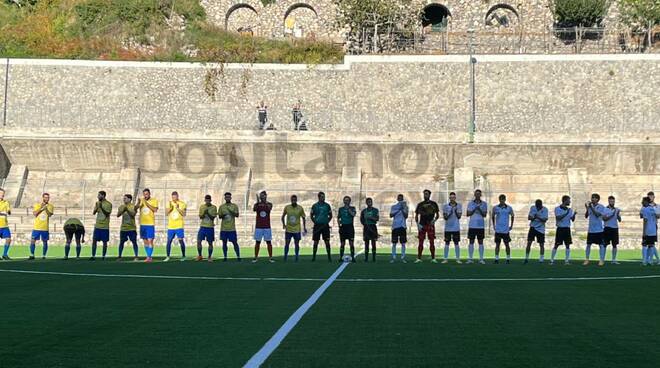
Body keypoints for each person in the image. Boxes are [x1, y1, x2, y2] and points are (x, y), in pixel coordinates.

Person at [415, 189, 440, 263]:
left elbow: (437, 215)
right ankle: (419, 258)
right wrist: (418, 225)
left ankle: (433, 258)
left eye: (426, 194)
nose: (425, 195)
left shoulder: (434, 204)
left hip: (430, 225)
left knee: (432, 241)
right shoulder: (420, 204)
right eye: (424, 194)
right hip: (422, 225)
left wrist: (434, 221)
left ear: (429, 195)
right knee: (420, 241)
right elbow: (416, 215)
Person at [551, 195, 576, 265]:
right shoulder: (557, 209)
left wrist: (574, 215)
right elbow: (558, 218)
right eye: (569, 200)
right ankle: (552, 260)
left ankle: (567, 261)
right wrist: (566, 213)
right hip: (560, 229)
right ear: (565, 201)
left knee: (567, 245)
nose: (570, 202)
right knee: (556, 244)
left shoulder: (570, 210)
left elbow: (572, 220)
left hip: (567, 229)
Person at [136, 188, 158, 263]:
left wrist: (146, 203)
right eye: (144, 194)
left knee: (150, 240)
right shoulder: (141, 200)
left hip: (150, 224)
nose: (145, 195)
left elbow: (155, 210)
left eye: (147, 194)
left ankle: (149, 257)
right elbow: (135, 209)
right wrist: (138, 203)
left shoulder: (154, 200)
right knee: (145, 241)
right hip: (142, 224)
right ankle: (148, 256)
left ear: (149, 194)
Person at [282, 195, 306, 262]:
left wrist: (304, 227)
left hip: (297, 229)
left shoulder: (300, 208)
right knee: (287, 243)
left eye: (295, 200)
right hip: (288, 229)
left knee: (297, 244)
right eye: (292, 200)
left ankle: (296, 256)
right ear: (291, 200)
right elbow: (283, 216)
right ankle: (285, 256)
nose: (293, 201)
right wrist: (284, 224)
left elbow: (304, 218)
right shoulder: (287, 207)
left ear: (296, 200)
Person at [583, 193, 605, 266]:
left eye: (594, 198)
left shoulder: (601, 207)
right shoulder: (590, 207)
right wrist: (587, 208)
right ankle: (587, 259)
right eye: (592, 198)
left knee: (601, 245)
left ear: (598, 199)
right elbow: (586, 216)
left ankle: (601, 260)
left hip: (599, 230)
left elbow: (597, 215)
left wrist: (591, 207)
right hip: (591, 229)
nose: (592, 199)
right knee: (588, 245)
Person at [30, 193, 54, 260]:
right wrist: (41, 208)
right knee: (33, 240)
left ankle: (43, 255)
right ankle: (32, 254)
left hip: (45, 227)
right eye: (45, 197)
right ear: (42, 198)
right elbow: (35, 214)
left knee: (45, 241)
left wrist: (46, 209)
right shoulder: (37, 205)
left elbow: (49, 214)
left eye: (48, 197)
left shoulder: (50, 206)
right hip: (37, 227)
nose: (47, 199)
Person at [466, 189, 488, 264]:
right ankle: (470, 258)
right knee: (471, 241)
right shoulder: (470, 203)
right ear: (474, 195)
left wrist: (480, 209)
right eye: (476, 194)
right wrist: (475, 209)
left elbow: (484, 215)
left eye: (479, 194)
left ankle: (481, 259)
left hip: (480, 226)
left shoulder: (484, 204)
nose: (477, 195)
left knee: (480, 242)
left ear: (480, 195)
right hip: (472, 225)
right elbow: (468, 214)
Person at [492, 194, 514, 264]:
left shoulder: (509, 208)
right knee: (497, 244)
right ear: (499, 200)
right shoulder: (495, 208)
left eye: (503, 199)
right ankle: (496, 258)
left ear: (505, 200)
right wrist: (494, 225)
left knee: (507, 244)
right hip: (498, 229)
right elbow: (493, 216)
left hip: (505, 230)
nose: (502, 201)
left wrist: (511, 226)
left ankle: (508, 259)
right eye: (500, 199)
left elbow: (512, 216)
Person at [165, 191, 187, 262]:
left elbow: (184, 214)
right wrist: (170, 209)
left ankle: (183, 256)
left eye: (175, 197)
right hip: (171, 226)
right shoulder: (169, 203)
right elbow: (166, 213)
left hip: (179, 226)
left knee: (181, 240)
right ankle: (168, 256)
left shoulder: (182, 204)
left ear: (177, 196)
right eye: (172, 197)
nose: (174, 198)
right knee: (169, 241)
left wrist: (177, 208)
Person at [90, 191, 112, 261]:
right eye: (98, 195)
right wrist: (97, 208)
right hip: (97, 226)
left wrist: (101, 207)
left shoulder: (108, 204)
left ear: (103, 196)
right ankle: (93, 256)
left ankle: (103, 256)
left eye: (99, 195)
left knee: (104, 242)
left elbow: (107, 214)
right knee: (94, 241)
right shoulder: (97, 203)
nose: (98, 196)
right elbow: (93, 213)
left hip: (105, 226)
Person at [218, 192, 241, 261]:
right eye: (226, 197)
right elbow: (219, 216)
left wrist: (231, 212)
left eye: (229, 197)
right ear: (224, 198)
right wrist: (223, 215)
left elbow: (237, 215)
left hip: (232, 229)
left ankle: (238, 256)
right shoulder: (221, 207)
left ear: (231, 198)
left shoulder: (234, 206)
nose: (227, 198)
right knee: (224, 243)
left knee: (234, 242)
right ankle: (225, 257)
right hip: (224, 228)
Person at [310, 192, 333, 262]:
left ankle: (329, 257)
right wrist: (315, 222)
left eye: (324, 196)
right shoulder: (314, 206)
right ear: (319, 197)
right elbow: (311, 215)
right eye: (322, 197)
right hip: (317, 226)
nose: (323, 198)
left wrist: (327, 222)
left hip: (325, 226)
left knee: (327, 241)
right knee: (316, 241)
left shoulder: (327, 205)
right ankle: (314, 257)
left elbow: (330, 215)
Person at [253, 191, 274, 263]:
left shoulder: (269, 204)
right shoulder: (257, 204)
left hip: (267, 226)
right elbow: (254, 209)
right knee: (257, 242)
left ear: (265, 196)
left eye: (263, 196)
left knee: (269, 242)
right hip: (258, 226)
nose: (262, 197)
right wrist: (258, 202)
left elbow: (269, 209)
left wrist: (263, 202)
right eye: (261, 196)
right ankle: (255, 257)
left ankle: (270, 257)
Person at [525, 199, 548, 264]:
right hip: (532, 227)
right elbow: (529, 218)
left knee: (541, 244)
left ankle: (541, 259)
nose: (537, 207)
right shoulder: (532, 208)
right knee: (529, 243)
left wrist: (537, 217)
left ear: (541, 205)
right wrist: (534, 217)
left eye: (539, 206)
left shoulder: (545, 209)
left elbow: (545, 220)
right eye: (536, 206)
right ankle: (526, 258)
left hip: (541, 229)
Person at [117, 194, 139, 261]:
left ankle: (136, 256)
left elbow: (133, 215)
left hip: (132, 228)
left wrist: (127, 210)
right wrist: (123, 210)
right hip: (123, 228)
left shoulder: (133, 207)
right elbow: (118, 215)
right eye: (124, 198)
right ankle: (120, 256)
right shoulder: (121, 206)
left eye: (125, 198)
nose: (124, 199)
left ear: (129, 199)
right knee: (121, 242)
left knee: (134, 242)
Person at [442, 192, 462, 264]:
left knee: (456, 243)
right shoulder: (445, 206)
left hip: (456, 227)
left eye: (453, 197)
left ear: (455, 198)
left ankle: (458, 259)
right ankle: (445, 258)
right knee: (447, 243)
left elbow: (459, 216)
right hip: (448, 228)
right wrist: (450, 212)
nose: (452, 199)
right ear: (449, 198)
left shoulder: (459, 205)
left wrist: (455, 211)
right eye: (451, 197)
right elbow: (445, 217)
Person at [602, 196, 622, 265]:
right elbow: (604, 219)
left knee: (615, 245)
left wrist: (618, 214)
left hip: (615, 228)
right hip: (607, 228)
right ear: (608, 201)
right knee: (605, 244)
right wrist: (612, 214)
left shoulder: (616, 209)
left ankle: (613, 260)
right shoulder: (605, 209)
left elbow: (619, 220)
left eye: (613, 201)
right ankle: (602, 259)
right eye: (611, 201)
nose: (612, 202)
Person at [197, 194, 217, 262]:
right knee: (199, 241)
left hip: (210, 227)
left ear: (210, 200)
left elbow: (212, 218)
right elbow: (200, 217)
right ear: (205, 200)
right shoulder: (202, 207)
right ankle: (200, 255)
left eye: (209, 200)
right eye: (206, 200)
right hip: (202, 227)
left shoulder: (214, 207)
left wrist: (207, 213)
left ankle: (209, 257)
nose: (207, 201)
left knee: (210, 243)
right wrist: (204, 214)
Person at [390, 194, 408, 263]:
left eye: (401, 198)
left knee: (403, 243)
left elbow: (406, 216)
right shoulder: (393, 207)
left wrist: (403, 209)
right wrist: (398, 209)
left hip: (402, 226)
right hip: (395, 226)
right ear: (397, 199)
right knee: (394, 243)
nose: (400, 199)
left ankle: (403, 257)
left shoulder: (406, 207)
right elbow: (391, 215)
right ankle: (393, 257)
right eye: (399, 198)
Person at [338, 196, 357, 263]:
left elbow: (353, 214)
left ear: (349, 201)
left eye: (348, 200)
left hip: (350, 227)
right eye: (345, 200)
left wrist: (348, 209)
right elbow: (338, 217)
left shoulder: (353, 208)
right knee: (342, 243)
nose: (346, 201)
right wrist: (339, 225)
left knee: (351, 243)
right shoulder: (340, 209)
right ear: (343, 201)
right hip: (343, 227)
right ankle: (340, 257)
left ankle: (353, 258)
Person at [640, 196, 659, 265]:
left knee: (644, 245)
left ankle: (644, 261)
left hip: (647, 230)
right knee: (651, 245)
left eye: (643, 201)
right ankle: (651, 261)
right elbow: (657, 216)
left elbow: (645, 220)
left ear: (646, 202)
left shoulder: (645, 209)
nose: (642, 202)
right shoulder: (653, 208)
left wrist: (644, 232)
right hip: (653, 230)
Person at [360, 198, 379, 262]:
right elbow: (361, 219)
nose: (369, 203)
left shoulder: (375, 210)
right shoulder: (364, 211)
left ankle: (374, 258)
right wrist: (365, 224)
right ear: (366, 203)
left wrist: (370, 218)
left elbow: (377, 219)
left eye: (370, 202)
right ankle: (366, 258)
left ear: (372, 202)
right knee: (366, 243)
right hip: (366, 227)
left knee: (373, 242)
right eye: (368, 202)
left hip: (373, 226)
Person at [646, 191, 659, 263]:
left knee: (651, 243)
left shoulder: (657, 206)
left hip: (653, 226)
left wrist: (654, 211)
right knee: (649, 244)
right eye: (649, 196)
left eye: (651, 196)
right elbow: (642, 215)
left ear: (654, 197)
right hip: (647, 226)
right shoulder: (645, 206)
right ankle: (655, 259)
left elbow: (658, 216)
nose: (650, 198)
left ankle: (651, 259)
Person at [0, 188, 12, 260]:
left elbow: (8, 211)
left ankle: (5, 254)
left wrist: (9, 211)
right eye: (1, 193)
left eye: (3, 193)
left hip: (5, 225)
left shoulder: (6, 202)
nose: (2, 194)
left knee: (8, 239)